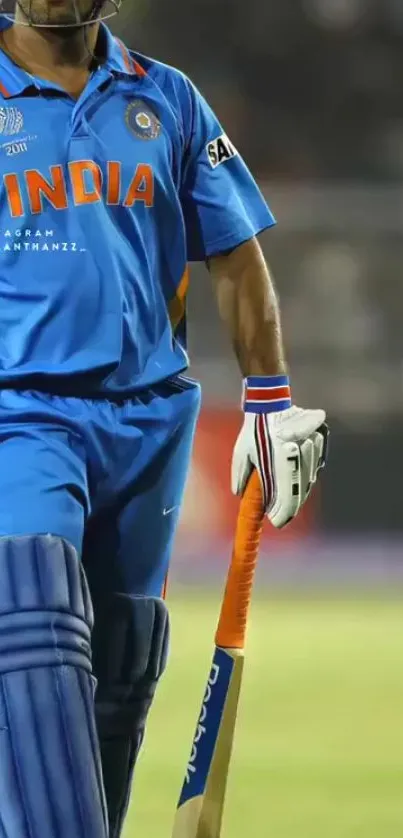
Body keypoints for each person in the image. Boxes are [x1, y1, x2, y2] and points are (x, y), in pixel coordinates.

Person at [0, 0, 328, 836]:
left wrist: (268, 399)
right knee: (32, 616)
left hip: (147, 421)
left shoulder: (167, 98)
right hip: (20, 409)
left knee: (119, 663)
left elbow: (235, 252)